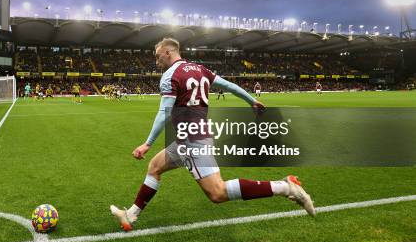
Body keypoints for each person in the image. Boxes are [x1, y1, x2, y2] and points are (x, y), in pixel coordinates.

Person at [110, 38, 315, 231]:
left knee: (217, 193)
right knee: (155, 167)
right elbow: (229, 86)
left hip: (192, 141)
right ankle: (131, 215)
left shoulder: (170, 75)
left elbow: (164, 114)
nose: (156, 61)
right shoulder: (201, 69)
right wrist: (251, 100)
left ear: (168, 52)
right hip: (191, 137)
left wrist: (147, 143)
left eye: (157, 56)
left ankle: (285, 188)